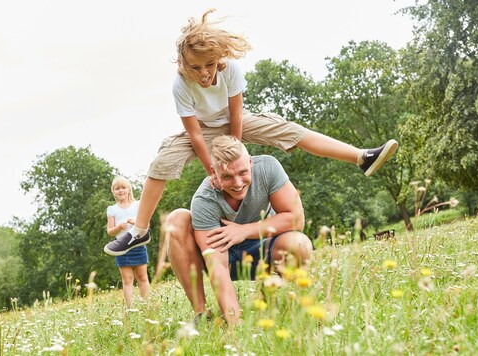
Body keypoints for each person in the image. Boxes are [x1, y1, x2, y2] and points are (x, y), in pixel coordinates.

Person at [104, 9, 398, 256]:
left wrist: (235, 150)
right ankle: (139, 231)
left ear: (219, 57)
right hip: (203, 130)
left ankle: (362, 157)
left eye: (210, 65)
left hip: (236, 122)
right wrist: (213, 170)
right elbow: (194, 133)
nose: (205, 73)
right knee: (161, 164)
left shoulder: (230, 70)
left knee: (288, 130)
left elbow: (235, 116)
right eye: (196, 67)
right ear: (184, 65)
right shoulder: (181, 84)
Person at [165, 135, 313, 325]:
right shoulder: (204, 200)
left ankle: (277, 299)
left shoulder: (268, 168)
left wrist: (243, 230)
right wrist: (236, 325)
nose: (237, 183)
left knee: (299, 244)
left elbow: (296, 219)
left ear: (250, 162)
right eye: (227, 176)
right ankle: (202, 316)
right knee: (176, 218)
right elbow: (217, 265)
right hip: (221, 257)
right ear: (213, 172)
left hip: (261, 247)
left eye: (243, 172)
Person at [105, 177, 150, 307]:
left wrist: (136, 222)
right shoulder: (112, 209)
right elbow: (110, 231)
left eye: (123, 187)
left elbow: (146, 225)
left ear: (129, 189)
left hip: (138, 244)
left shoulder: (138, 205)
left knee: (142, 277)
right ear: (113, 191)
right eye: (117, 188)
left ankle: (148, 306)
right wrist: (119, 227)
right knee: (127, 279)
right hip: (121, 247)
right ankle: (131, 308)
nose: (120, 191)